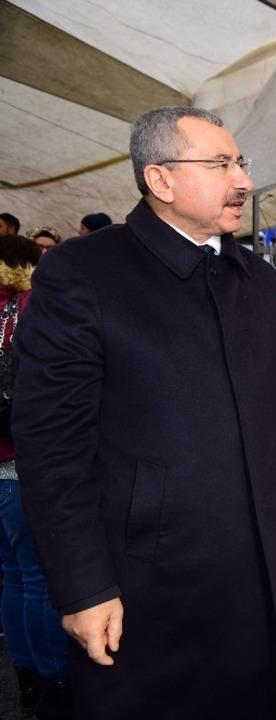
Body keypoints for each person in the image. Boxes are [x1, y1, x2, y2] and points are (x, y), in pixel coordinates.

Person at [12, 106, 276, 719]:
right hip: (147, 581)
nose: (242, 181)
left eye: (241, 163)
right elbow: (52, 447)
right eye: (221, 164)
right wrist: (83, 587)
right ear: (160, 180)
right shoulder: (83, 273)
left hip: (257, 570)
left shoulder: (258, 281)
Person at [0, 235, 71, 720]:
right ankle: (53, 683)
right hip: (25, 461)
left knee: (13, 576)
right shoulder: (27, 309)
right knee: (41, 579)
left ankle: (25, 681)